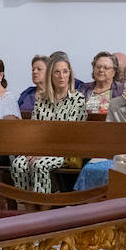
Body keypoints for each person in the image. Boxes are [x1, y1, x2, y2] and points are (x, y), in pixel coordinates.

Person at [11, 52, 87, 192]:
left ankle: (44, 209)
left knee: (39, 165)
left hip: (64, 150)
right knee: (19, 164)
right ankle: (29, 210)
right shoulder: (42, 99)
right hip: (40, 149)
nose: (61, 76)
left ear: (70, 73)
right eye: (57, 72)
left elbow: (72, 133)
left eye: (65, 71)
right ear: (50, 75)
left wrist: (44, 152)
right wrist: (33, 151)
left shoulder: (78, 99)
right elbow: (34, 129)